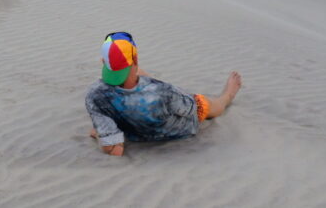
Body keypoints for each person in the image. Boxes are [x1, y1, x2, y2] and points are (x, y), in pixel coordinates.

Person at [85, 31, 241, 156]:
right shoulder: (163, 91)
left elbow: (114, 150)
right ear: (136, 59)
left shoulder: (95, 95)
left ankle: (132, 82)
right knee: (205, 104)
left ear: (103, 62)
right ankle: (228, 95)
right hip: (179, 131)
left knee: (117, 109)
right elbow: (189, 108)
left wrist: (101, 134)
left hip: (135, 132)